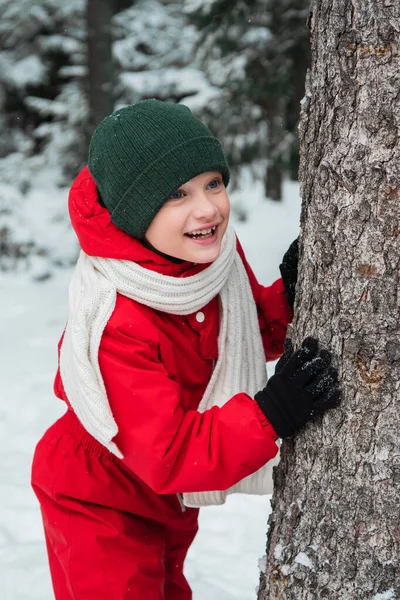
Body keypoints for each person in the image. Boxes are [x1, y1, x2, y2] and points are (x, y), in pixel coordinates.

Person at [31, 99, 341, 600]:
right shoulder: (117, 318)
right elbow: (168, 452)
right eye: (177, 193)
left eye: (213, 183)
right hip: (100, 497)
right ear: (135, 212)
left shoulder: (205, 259)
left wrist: (286, 298)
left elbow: (229, 338)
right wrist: (270, 414)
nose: (207, 209)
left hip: (166, 498)